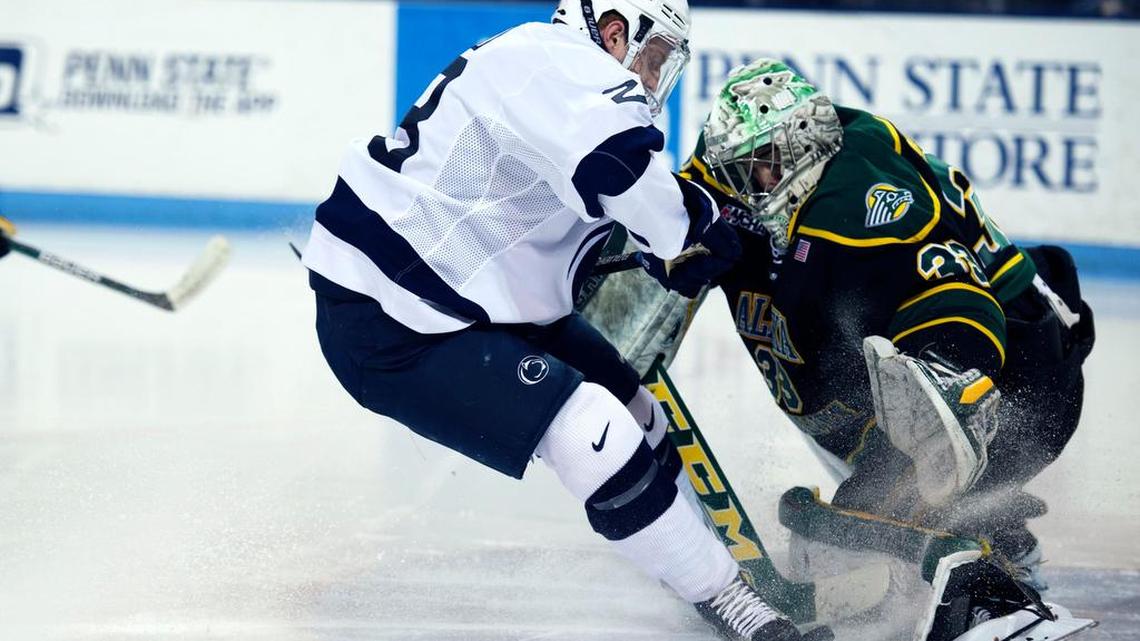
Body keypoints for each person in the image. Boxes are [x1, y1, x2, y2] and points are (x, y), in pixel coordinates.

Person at [301, 3, 803, 640]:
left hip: (464, 297)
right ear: (617, 31)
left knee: (639, 412)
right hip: (395, 321)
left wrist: (666, 238)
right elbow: (613, 166)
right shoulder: (563, 61)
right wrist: (689, 228)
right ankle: (728, 600)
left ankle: (693, 560)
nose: (653, 79)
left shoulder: (545, 68)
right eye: (653, 59)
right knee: (592, 432)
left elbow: (568, 193)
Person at [664, 59, 1094, 591]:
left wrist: (951, 380)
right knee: (864, 507)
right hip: (961, 376)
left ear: (802, 145)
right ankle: (990, 532)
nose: (752, 183)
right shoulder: (799, 165)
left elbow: (955, 294)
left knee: (876, 525)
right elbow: (694, 187)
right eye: (744, 166)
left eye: (762, 165)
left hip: (1019, 381)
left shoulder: (858, 199)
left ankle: (993, 579)